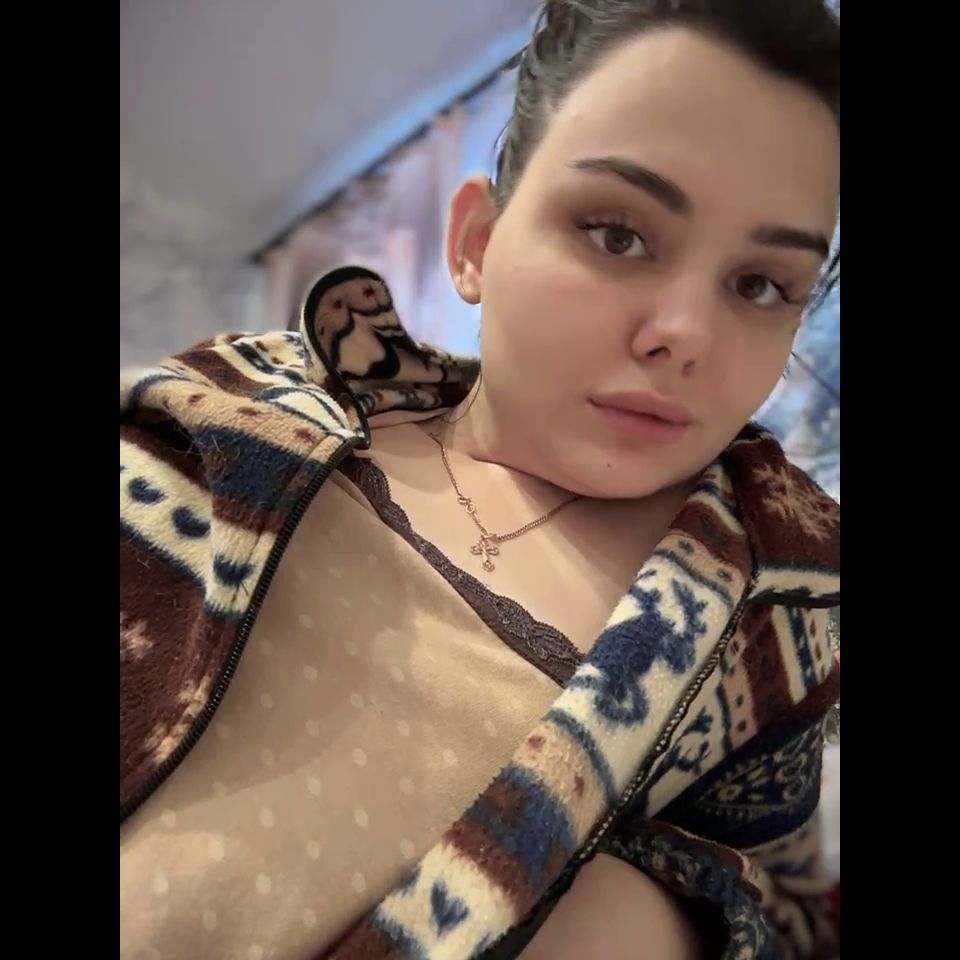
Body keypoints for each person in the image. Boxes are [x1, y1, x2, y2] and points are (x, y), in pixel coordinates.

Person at [119, 1, 841, 958]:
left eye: (759, 285)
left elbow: (797, 920)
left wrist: (662, 924)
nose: (686, 334)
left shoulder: (779, 620)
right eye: (618, 234)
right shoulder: (228, 410)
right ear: (475, 243)